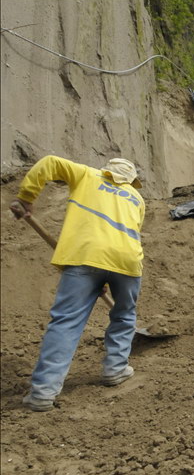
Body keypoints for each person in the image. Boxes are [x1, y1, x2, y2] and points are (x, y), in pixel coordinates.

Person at [10, 155, 146, 411]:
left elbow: (49, 161)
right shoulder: (137, 198)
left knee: (66, 322)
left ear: (106, 169)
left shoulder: (87, 174)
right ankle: (115, 370)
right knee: (125, 315)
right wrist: (106, 275)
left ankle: (43, 392)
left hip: (85, 257)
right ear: (131, 180)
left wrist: (27, 196)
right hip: (127, 262)